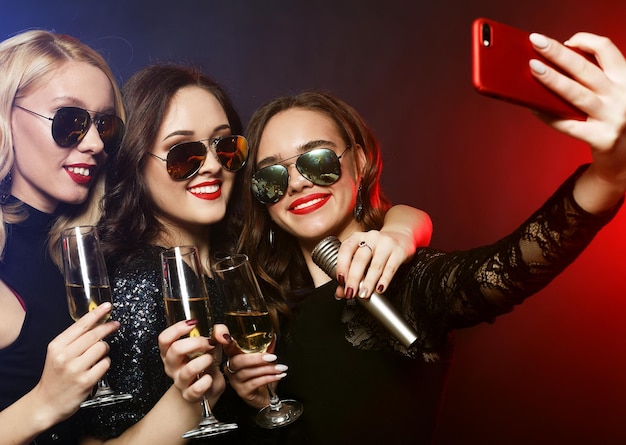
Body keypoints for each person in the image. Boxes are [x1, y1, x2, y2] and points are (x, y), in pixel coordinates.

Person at [218, 31, 626, 444]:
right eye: (272, 175)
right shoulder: (260, 307)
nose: (297, 184)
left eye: (318, 160)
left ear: (358, 163)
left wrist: (609, 176)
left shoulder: (406, 282)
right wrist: (251, 400)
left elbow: (508, 268)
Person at [90, 62, 432, 443]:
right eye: (182, 153)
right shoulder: (138, 283)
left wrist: (404, 229)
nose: (213, 165)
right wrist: (191, 397)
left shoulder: (247, 258)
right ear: (137, 163)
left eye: (225, 146)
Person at [0, 30, 222, 445]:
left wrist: (387, 224)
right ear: (5, 116)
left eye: (105, 125)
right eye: (70, 121)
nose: (94, 142)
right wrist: (43, 403)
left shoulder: (91, 247)